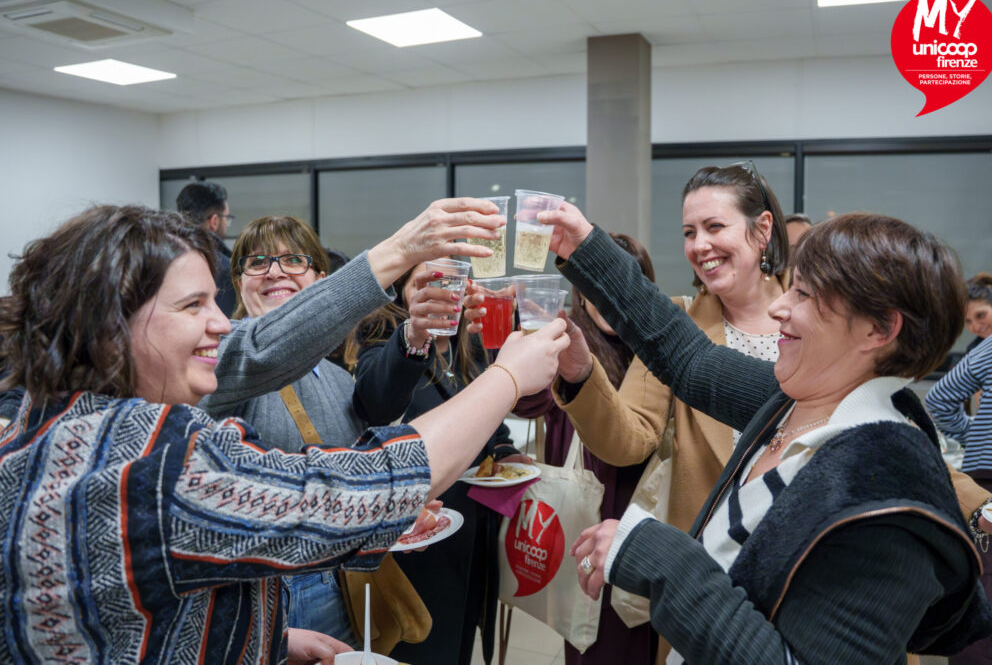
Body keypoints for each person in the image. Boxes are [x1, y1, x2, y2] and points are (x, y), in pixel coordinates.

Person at [0, 201, 569, 664]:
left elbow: (133, 612)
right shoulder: (152, 464)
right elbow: (363, 486)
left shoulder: (44, 430)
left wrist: (262, 642)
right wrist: (507, 377)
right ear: (108, 329)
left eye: (213, 300)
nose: (220, 323)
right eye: (193, 305)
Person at [540, 204, 992, 662]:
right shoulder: (797, 403)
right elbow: (687, 357)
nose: (779, 306)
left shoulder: (884, 501)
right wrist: (585, 246)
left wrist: (658, 558)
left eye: (804, 294)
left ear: (879, 328)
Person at [529, 165, 790, 664]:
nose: (699, 245)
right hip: (710, 570)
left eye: (715, 227)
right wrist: (581, 374)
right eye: (689, 232)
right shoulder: (682, 321)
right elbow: (628, 439)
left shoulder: (813, 317)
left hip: (799, 559)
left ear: (762, 230)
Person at [472, 233, 661, 665]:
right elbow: (527, 400)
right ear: (581, 292)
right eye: (597, 286)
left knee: (645, 635)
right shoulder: (566, 345)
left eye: (623, 285)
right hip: (583, 517)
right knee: (589, 632)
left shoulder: (656, 350)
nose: (609, 299)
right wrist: (514, 339)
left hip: (645, 512)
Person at [347, 265, 526, 665]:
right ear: (403, 289)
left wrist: (503, 451)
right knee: (424, 647)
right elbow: (376, 400)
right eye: (428, 280)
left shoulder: (469, 347)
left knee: (460, 644)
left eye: (451, 281)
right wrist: (416, 334)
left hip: (472, 534)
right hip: (419, 542)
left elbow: (487, 420)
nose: (441, 289)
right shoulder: (384, 346)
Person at [226, 215, 365, 646]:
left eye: (292, 260)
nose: (274, 272)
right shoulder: (219, 366)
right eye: (258, 262)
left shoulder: (340, 379)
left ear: (321, 281)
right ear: (240, 283)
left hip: (341, 581)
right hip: (261, 590)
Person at [926, 274, 992, 664]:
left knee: (988, 587)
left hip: (990, 482)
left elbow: (939, 398)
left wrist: (982, 435)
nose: (975, 326)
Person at [177, 180, 237, 316]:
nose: (226, 224)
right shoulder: (227, 269)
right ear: (214, 221)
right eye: (226, 218)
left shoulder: (163, 261)